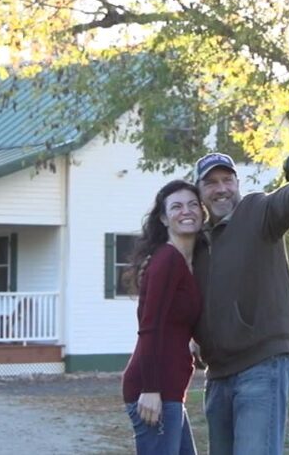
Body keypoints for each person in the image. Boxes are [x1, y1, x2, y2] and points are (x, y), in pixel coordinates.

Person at [191, 150, 289, 454]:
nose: (221, 189)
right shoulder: (197, 241)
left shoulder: (258, 211)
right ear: (199, 192)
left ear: (237, 183)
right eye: (211, 183)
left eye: (227, 180)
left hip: (262, 365)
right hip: (218, 375)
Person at [121, 180, 207, 455]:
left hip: (171, 389)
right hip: (153, 388)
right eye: (177, 206)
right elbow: (149, 326)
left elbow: (175, 324)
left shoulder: (188, 261)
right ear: (163, 218)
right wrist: (150, 389)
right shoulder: (167, 259)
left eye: (193, 204)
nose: (186, 211)